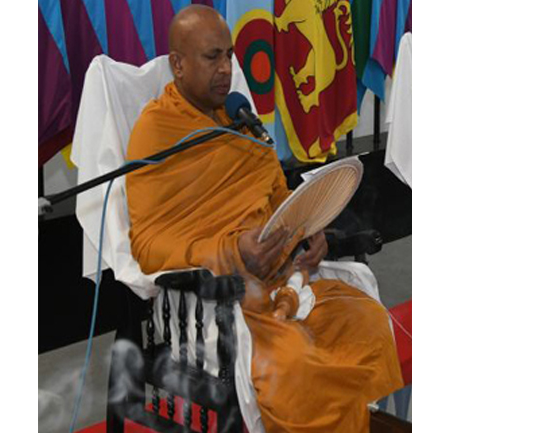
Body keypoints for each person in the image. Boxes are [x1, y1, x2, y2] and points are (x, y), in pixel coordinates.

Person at [125, 5, 403, 432]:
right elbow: (144, 246)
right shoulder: (156, 131)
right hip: (222, 297)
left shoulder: (240, 120)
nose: (226, 69)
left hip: (282, 281)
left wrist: (310, 232)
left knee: (366, 323)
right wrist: (231, 250)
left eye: (230, 55)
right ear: (177, 65)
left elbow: (277, 196)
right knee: (295, 366)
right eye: (211, 57)